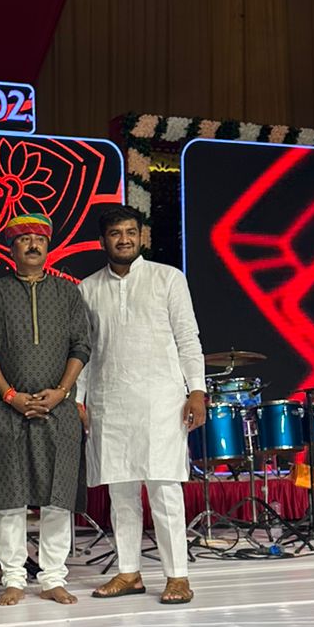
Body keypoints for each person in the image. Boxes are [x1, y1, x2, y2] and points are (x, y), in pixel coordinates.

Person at [78, 206, 206, 606]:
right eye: (116, 233)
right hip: (109, 400)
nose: (124, 239)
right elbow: (85, 350)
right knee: (121, 491)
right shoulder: (87, 288)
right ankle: (129, 572)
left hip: (161, 400)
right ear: (103, 240)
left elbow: (188, 337)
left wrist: (197, 390)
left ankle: (177, 576)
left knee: (165, 488)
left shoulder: (168, 278)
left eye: (131, 232)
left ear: (141, 236)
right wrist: (79, 399)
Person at [0, 212, 91, 607]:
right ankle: (13, 577)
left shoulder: (68, 293)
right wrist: (11, 395)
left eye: (39, 239)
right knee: (11, 498)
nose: (32, 245)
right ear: (12, 248)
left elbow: (81, 347)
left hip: (57, 409)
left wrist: (61, 393)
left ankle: (53, 577)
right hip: (5, 409)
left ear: (48, 246)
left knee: (57, 496)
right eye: (23, 239)